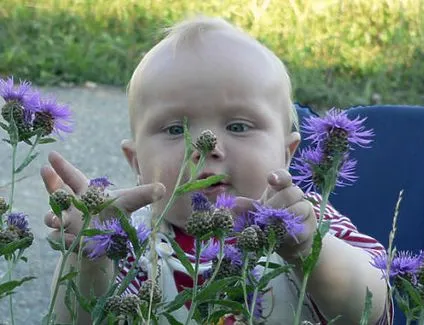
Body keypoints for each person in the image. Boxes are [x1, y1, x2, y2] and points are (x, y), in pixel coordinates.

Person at [41, 16, 390, 325]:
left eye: (238, 127)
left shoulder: (307, 219)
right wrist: (90, 255)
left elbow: (370, 308)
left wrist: (308, 251)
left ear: (287, 154)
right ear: (137, 163)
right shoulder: (131, 241)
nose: (206, 148)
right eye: (176, 130)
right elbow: (80, 318)